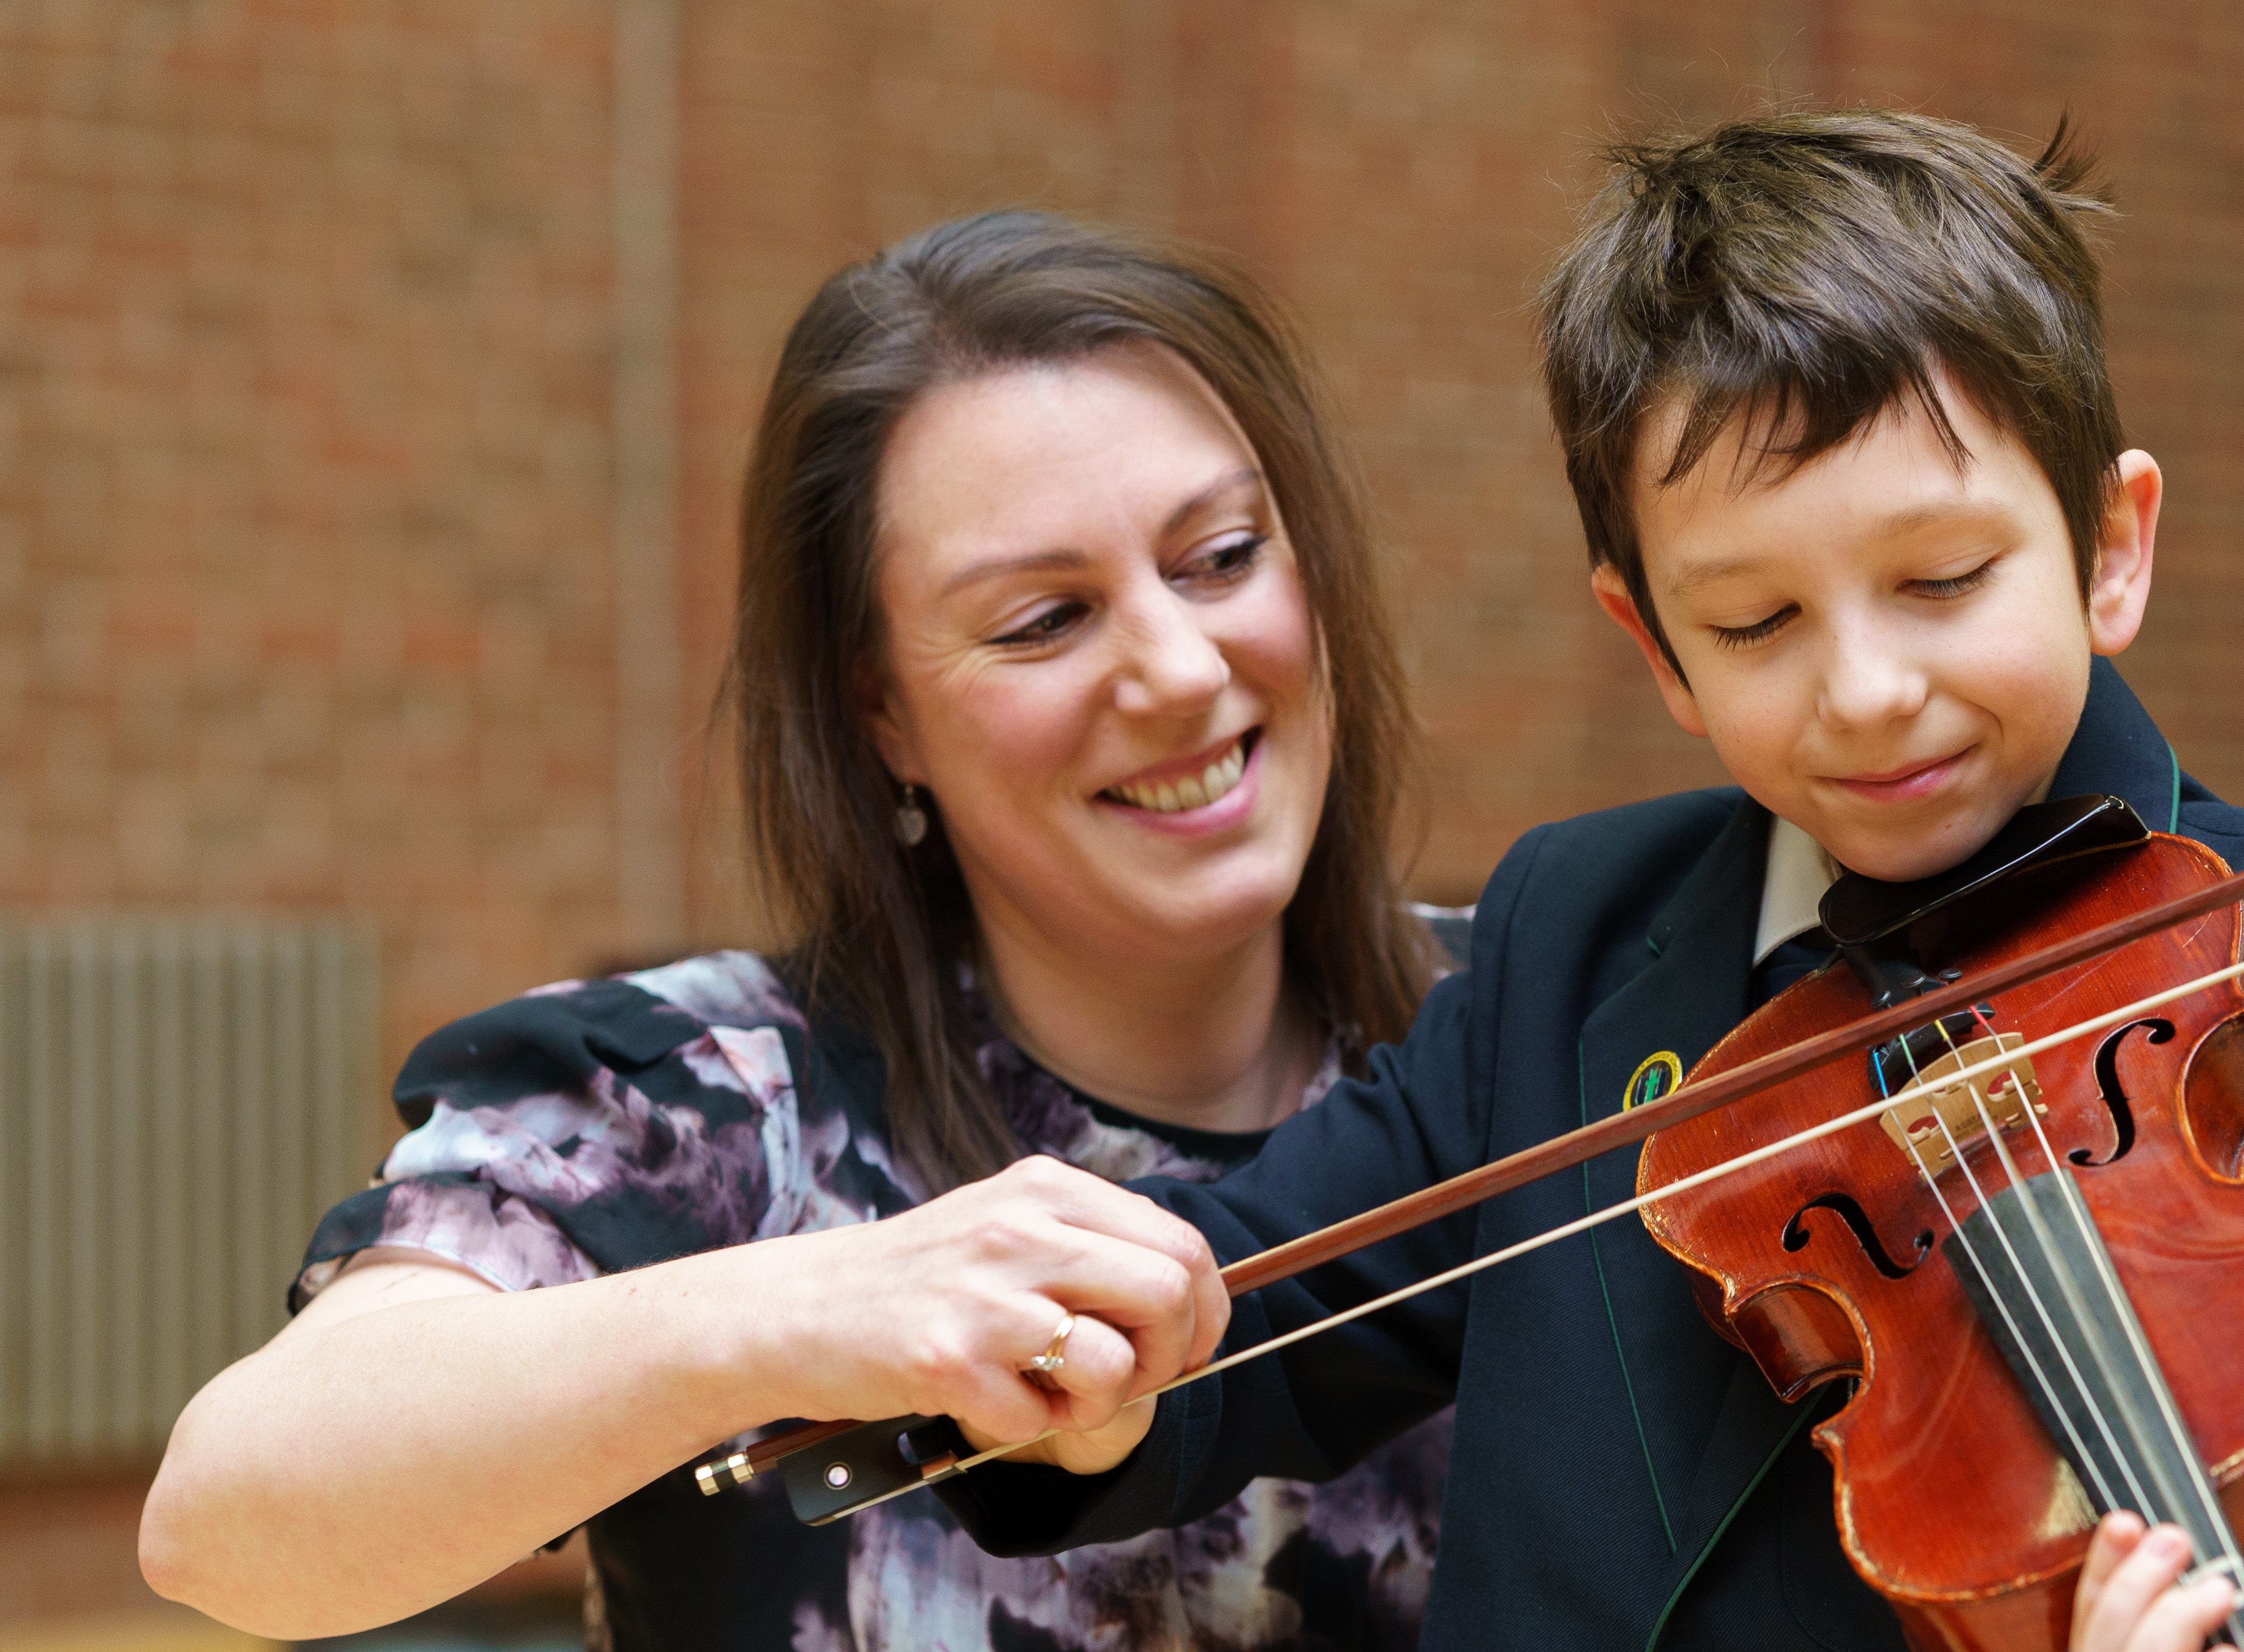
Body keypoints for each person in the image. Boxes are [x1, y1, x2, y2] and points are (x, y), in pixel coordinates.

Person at [920, 113, 2244, 1652]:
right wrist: (1087, 1356)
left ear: (2109, 547)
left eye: (1940, 582)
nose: (1864, 688)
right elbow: (1267, 1308)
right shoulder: (1578, 932)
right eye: (1755, 620)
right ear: (1653, 641)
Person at [140, 211, 1450, 1652]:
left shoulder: (1556, 1011)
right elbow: (227, 1518)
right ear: (879, 708)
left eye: (1223, 555)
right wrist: (806, 1296)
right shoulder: (693, 1097)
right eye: (1042, 619)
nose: (1184, 666)